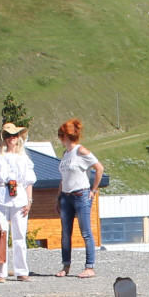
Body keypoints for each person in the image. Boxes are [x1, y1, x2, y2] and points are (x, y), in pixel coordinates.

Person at [54, 118, 102, 278]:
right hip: (66, 197)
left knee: (86, 231)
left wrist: (93, 190)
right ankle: (66, 266)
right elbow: (63, 178)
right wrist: (58, 197)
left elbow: (99, 168)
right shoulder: (65, 154)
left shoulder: (81, 151)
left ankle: (90, 267)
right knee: (65, 233)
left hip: (81, 194)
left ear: (64, 136)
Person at [0, 123, 36, 282]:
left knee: (19, 234)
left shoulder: (24, 158)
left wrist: (29, 201)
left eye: (14, 136)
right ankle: (0, 272)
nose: (11, 139)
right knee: (1, 234)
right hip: (1, 196)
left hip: (19, 197)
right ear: (4, 138)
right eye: (8, 136)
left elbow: (29, 182)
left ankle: (21, 271)